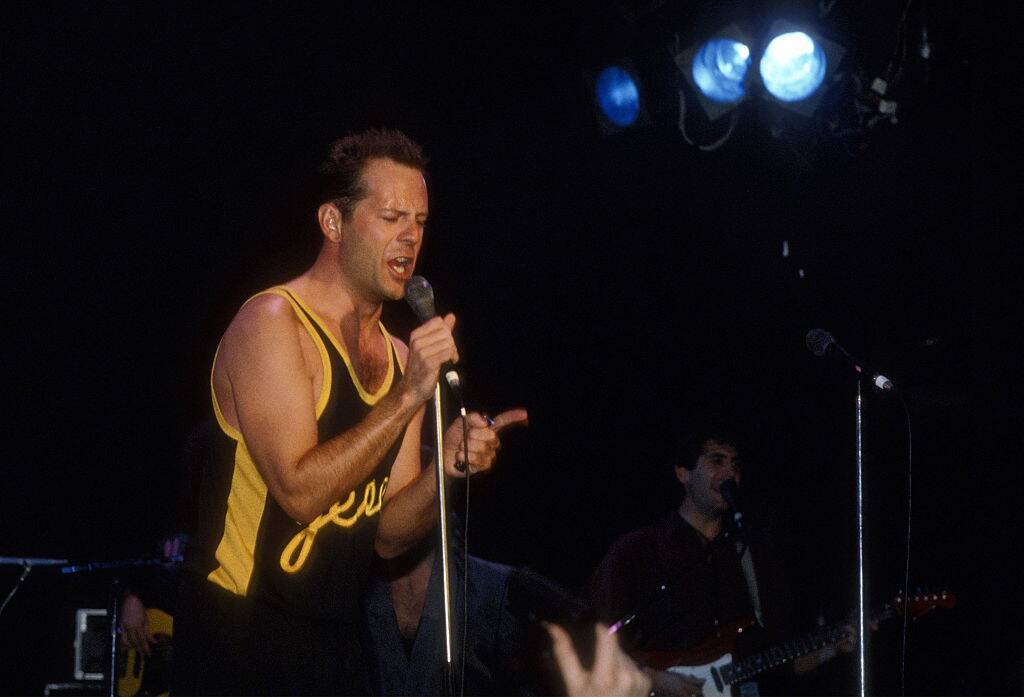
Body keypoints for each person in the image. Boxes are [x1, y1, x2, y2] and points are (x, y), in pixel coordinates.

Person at [172, 128, 528, 695]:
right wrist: (407, 397)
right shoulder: (272, 324)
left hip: (339, 640)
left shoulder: (399, 357)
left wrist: (446, 469)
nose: (410, 238)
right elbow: (298, 493)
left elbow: (387, 535)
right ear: (333, 223)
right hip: (242, 632)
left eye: (420, 221)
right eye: (391, 218)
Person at [588, 427, 846, 696]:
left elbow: (779, 660)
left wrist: (831, 647)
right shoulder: (638, 550)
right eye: (717, 461)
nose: (729, 473)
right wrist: (653, 679)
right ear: (683, 473)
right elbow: (591, 639)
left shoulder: (750, 555)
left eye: (735, 465)